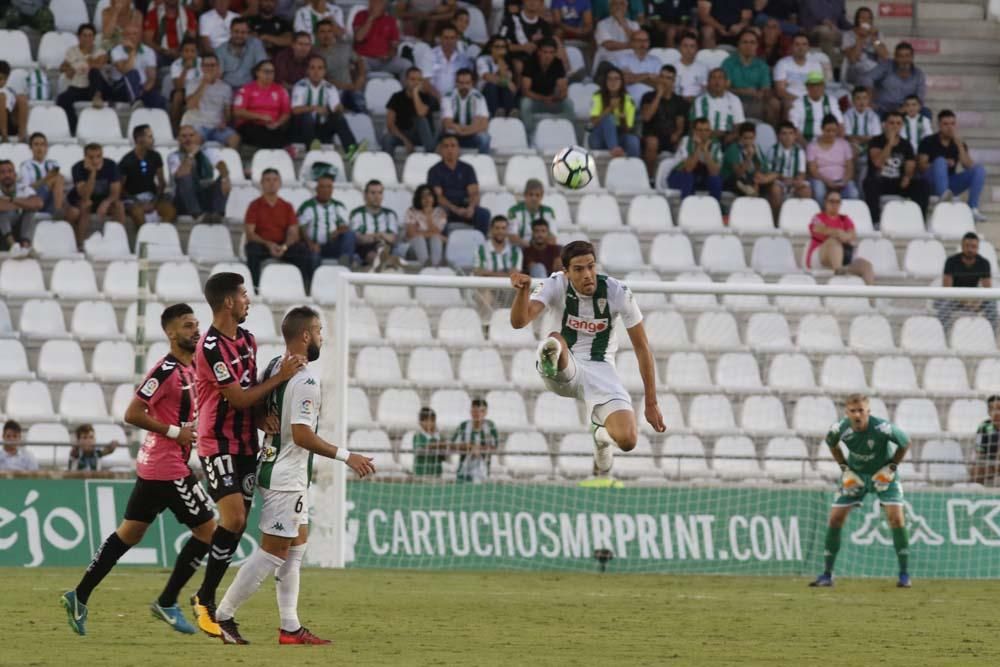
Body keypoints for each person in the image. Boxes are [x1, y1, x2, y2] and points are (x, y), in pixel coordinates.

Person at [213, 306, 374, 645]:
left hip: (281, 468)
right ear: (305, 336)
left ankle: (290, 627)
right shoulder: (306, 380)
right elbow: (301, 435)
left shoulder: (275, 365)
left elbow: (256, 404)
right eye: (318, 331)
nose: (321, 337)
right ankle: (223, 616)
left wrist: (260, 420)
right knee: (273, 552)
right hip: (285, 475)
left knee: (297, 548)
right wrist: (348, 456)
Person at [59, 304, 216, 637]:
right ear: (171, 332)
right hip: (166, 466)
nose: (195, 331)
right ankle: (167, 601)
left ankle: (79, 595)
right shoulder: (166, 370)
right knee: (208, 530)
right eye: (188, 326)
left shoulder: (193, 368)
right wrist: (176, 433)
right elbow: (132, 413)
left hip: (155, 466)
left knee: (128, 534)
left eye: (196, 325)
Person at [187, 272, 306, 638]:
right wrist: (281, 376)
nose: (247, 299)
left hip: (245, 443)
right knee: (235, 516)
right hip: (216, 441)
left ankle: (207, 599)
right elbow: (236, 397)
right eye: (243, 294)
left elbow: (249, 393)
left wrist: (260, 417)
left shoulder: (248, 340)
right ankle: (205, 599)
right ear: (227, 302)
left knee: (237, 523)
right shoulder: (209, 347)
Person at [510, 241, 666, 475]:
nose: (587, 275)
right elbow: (519, 322)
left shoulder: (617, 292)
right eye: (579, 269)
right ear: (566, 272)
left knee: (628, 440)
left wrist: (651, 402)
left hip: (601, 371)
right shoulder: (555, 284)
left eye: (591, 267)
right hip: (564, 368)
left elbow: (642, 347)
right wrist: (522, 292)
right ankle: (548, 356)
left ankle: (600, 437)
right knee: (555, 340)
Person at [809, 394, 912, 588]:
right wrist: (845, 468)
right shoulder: (839, 429)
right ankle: (827, 574)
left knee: (896, 519)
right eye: (853, 411)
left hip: (883, 475)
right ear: (847, 413)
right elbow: (832, 443)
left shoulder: (882, 428)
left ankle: (904, 575)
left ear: (868, 412)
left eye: (861, 411)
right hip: (856, 475)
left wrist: (891, 468)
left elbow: (905, 442)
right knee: (835, 518)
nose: (857, 415)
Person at [244, 169, 313, 286]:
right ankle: (254, 287)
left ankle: (303, 287)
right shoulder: (254, 206)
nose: (271, 183)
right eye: (267, 180)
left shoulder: (287, 206)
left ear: (280, 183)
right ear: (262, 183)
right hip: (263, 245)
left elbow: (293, 232)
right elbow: (250, 234)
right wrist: (268, 244)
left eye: (275, 180)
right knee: (252, 248)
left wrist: (285, 246)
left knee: (302, 250)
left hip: (283, 246)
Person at [919, 110, 987, 222]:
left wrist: (959, 146)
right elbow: (921, 167)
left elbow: (968, 165)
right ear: (939, 125)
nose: (949, 127)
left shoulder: (958, 143)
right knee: (940, 161)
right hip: (930, 182)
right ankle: (944, 201)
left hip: (949, 184)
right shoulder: (928, 141)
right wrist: (940, 164)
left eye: (952, 124)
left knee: (979, 170)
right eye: (945, 124)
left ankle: (972, 208)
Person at [864, 111, 930, 225]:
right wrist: (889, 143)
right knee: (869, 183)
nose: (895, 126)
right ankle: (875, 221)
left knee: (922, 184)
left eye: (898, 123)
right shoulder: (875, 141)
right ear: (884, 125)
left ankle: (920, 220)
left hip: (898, 183)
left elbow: (910, 165)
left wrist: (907, 176)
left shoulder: (906, 144)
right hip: (880, 181)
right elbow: (878, 163)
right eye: (892, 123)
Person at [291, 56, 363, 156]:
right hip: (302, 129)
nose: (316, 71)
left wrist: (339, 108)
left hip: (322, 129)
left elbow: (335, 108)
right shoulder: (300, 86)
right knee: (307, 116)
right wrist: (314, 108)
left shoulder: (330, 87)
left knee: (339, 118)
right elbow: (295, 110)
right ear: (307, 70)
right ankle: (311, 149)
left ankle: (352, 151)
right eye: (312, 68)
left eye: (320, 68)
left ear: (324, 71)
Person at [934, 232, 996, 333]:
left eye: (973, 246)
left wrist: (976, 301)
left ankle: (991, 335)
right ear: (962, 246)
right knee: (944, 304)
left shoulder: (984, 263)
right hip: (954, 298)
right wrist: (964, 301)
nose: (970, 249)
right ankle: (943, 335)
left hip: (973, 298)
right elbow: (947, 289)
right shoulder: (951, 261)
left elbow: (987, 290)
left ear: (978, 248)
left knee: (991, 304)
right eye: (967, 246)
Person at [805, 190, 873, 283]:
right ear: (825, 202)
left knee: (866, 266)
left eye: (837, 202)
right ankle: (839, 273)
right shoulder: (818, 217)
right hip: (820, 256)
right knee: (833, 242)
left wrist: (840, 234)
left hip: (844, 256)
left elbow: (852, 235)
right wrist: (838, 232)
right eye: (832, 201)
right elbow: (818, 229)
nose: (835, 204)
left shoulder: (845, 219)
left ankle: (871, 297)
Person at [428, 134, 491, 234]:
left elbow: (474, 193)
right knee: (438, 215)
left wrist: (471, 207)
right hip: (446, 208)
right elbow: (438, 197)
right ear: (440, 150)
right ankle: (444, 246)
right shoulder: (434, 171)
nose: (450, 149)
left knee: (483, 214)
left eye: (453, 146)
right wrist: (455, 209)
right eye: (446, 146)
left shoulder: (467, 169)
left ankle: (480, 245)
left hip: (465, 207)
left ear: (458, 149)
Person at [65, 145, 125, 249]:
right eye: (91, 157)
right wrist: (92, 173)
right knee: (86, 205)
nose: (95, 160)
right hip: (81, 199)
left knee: (119, 205)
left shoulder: (111, 165)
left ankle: (119, 242)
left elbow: (115, 192)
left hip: (103, 200)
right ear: (85, 157)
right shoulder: (77, 168)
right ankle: (80, 245)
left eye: (98, 156)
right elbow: (84, 195)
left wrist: (106, 202)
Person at [169, 125, 231, 223]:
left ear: (197, 137)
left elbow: (221, 165)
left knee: (224, 177)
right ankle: (197, 214)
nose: (188, 139)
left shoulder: (207, 151)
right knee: (185, 176)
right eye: (184, 136)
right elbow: (181, 174)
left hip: (202, 195)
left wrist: (224, 178)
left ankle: (218, 214)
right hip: (183, 200)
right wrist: (191, 154)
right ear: (179, 139)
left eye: (191, 135)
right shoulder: (173, 157)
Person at [120, 125, 176, 231]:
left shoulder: (155, 156)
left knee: (170, 211)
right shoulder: (126, 160)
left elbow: (161, 182)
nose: (153, 140)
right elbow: (121, 188)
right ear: (139, 139)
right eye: (150, 137)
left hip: (152, 197)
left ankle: (159, 235)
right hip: (133, 198)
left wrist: (153, 202)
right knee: (137, 212)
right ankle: (146, 238)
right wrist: (139, 203)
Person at [56, 24, 110, 134]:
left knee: (94, 72)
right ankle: (74, 129)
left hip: (95, 86)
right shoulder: (72, 51)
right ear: (79, 36)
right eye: (84, 35)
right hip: (78, 86)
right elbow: (63, 67)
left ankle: (97, 97)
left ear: (94, 38)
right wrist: (69, 69)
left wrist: (80, 62)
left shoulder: (100, 51)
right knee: (62, 99)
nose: (87, 38)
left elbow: (98, 64)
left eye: (90, 35)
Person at [721, 29, 778, 125]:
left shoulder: (762, 65)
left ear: (757, 46)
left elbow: (766, 89)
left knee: (774, 103)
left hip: (756, 100)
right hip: (735, 99)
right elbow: (724, 89)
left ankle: (770, 135)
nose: (749, 46)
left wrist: (762, 93)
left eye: (752, 42)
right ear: (738, 45)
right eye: (745, 42)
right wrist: (743, 91)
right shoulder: (728, 63)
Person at [298, 173, 355, 267]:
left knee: (350, 235)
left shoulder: (339, 206)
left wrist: (338, 231)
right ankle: (311, 281)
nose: (325, 190)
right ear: (316, 189)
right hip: (313, 246)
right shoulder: (307, 206)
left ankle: (345, 265)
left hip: (333, 245)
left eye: (329, 187)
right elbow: (300, 228)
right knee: (313, 255)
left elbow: (346, 227)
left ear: (332, 189)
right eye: (322, 187)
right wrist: (310, 243)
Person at [184, 54, 240, 149]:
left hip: (216, 127)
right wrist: (203, 84)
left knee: (235, 139)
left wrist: (224, 121)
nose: (209, 68)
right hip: (198, 125)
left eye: (212, 65)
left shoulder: (226, 87)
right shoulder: (192, 83)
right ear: (202, 67)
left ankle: (225, 162)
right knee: (193, 140)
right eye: (206, 65)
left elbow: (227, 114)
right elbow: (190, 106)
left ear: (218, 67)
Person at [519, 38, 573, 136]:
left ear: (555, 53)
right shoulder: (530, 63)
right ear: (539, 52)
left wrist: (559, 95)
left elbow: (563, 90)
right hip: (535, 100)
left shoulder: (558, 64)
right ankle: (529, 134)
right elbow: (525, 91)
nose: (548, 55)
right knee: (525, 104)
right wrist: (544, 98)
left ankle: (565, 133)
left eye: (551, 52)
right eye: (545, 52)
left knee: (568, 104)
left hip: (552, 101)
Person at [640, 65, 687, 178]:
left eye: (668, 78)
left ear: (674, 81)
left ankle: (677, 178)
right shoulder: (648, 96)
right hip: (652, 135)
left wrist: (677, 133)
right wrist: (659, 95)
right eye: (662, 77)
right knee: (652, 142)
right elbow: (646, 117)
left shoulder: (679, 101)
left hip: (670, 137)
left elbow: (680, 123)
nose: (664, 81)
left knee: (684, 143)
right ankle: (649, 178)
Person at [234, 60, 291, 149]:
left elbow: (286, 113)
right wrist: (260, 116)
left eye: (272, 72)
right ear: (257, 73)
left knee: (279, 135)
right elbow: (238, 112)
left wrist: (277, 123)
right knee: (264, 135)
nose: (269, 75)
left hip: (272, 126)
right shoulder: (246, 89)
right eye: (266, 71)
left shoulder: (280, 90)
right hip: (250, 125)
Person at [108, 24, 167, 109]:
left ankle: (158, 120)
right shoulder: (116, 50)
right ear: (123, 36)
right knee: (133, 73)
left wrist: (142, 91)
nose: (132, 36)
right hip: (121, 87)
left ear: (140, 36)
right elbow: (125, 70)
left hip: (142, 88)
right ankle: (136, 101)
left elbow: (151, 78)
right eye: (128, 34)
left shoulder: (149, 51)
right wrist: (132, 52)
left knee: (158, 99)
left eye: (135, 34)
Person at [314, 19, 367, 113]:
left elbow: (359, 61)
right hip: (328, 91)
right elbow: (319, 77)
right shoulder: (314, 53)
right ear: (317, 35)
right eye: (322, 32)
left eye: (329, 31)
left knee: (358, 101)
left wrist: (361, 77)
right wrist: (343, 86)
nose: (326, 35)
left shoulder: (344, 47)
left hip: (349, 90)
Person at [382, 67, 437, 154]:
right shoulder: (396, 97)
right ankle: (387, 165)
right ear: (406, 80)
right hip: (402, 134)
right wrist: (405, 140)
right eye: (412, 79)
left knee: (420, 120)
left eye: (419, 80)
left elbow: (421, 113)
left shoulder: (427, 97)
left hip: (422, 136)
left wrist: (415, 93)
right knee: (387, 138)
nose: (416, 82)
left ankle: (430, 155)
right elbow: (390, 124)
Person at [589, 67, 640, 158]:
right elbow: (593, 123)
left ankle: (633, 168)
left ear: (621, 82)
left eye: (616, 79)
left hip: (619, 135)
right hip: (598, 138)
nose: (613, 82)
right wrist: (609, 109)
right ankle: (614, 149)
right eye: (610, 79)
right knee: (609, 117)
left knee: (633, 141)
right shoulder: (597, 96)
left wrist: (623, 119)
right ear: (605, 81)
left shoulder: (628, 100)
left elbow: (628, 129)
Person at [863, 42, 926, 116]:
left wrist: (905, 109)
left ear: (912, 57)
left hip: (906, 110)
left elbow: (919, 99)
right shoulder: (886, 66)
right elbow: (867, 78)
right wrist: (869, 99)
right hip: (882, 109)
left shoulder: (918, 74)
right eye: (900, 56)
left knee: (926, 112)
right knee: (871, 112)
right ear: (895, 57)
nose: (904, 60)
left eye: (907, 56)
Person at [667, 117, 722, 200]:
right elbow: (689, 168)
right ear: (694, 131)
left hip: (700, 177)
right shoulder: (686, 141)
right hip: (679, 175)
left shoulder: (715, 144)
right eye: (700, 130)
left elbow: (714, 172)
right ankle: (687, 208)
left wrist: (706, 150)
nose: (703, 133)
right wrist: (699, 147)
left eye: (706, 130)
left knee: (716, 179)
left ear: (710, 132)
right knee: (688, 177)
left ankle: (716, 208)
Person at [807, 115, 859, 203]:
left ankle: (844, 216)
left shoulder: (844, 144)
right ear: (821, 129)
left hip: (842, 181)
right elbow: (813, 170)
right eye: (828, 131)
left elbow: (850, 167)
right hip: (821, 180)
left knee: (853, 193)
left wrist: (844, 181)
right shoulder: (812, 146)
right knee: (820, 192)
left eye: (834, 131)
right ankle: (822, 215)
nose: (831, 133)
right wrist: (827, 181)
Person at [351, 179, 402, 268]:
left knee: (389, 247)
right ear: (365, 195)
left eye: (380, 193)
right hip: (365, 248)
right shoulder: (357, 213)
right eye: (373, 193)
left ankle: (384, 261)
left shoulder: (390, 214)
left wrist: (377, 236)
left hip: (386, 246)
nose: (377, 196)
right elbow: (358, 238)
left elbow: (393, 238)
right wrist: (378, 236)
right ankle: (385, 262)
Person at [447, 398, 499, 483]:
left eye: (481, 411)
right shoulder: (464, 426)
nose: (477, 414)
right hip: (463, 470)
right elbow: (452, 445)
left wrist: (479, 449)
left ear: (486, 413)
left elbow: (494, 447)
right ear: (471, 411)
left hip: (483, 471)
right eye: (475, 411)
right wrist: (471, 447)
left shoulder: (490, 426)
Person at [352, 0, 409, 76]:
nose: (377, 4)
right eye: (374, 1)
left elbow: (394, 45)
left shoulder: (390, 20)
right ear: (369, 3)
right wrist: (371, 18)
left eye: (380, 2)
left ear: (384, 4)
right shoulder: (360, 15)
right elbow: (358, 38)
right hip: (365, 58)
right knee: (360, 65)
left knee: (407, 65)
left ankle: (405, 88)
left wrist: (389, 55)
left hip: (384, 60)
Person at [767, 121, 812, 216]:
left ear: (795, 136)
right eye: (784, 134)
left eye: (791, 133)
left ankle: (800, 219)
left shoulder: (799, 151)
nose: (788, 137)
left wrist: (794, 181)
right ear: (778, 136)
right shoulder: (772, 150)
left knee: (806, 191)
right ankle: (777, 220)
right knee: (775, 189)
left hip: (794, 182)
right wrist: (782, 179)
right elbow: (769, 172)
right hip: (779, 182)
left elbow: (802, 174)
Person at [689, 67, 744, 144]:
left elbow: (739, 125)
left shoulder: (734, 100)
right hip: (705, 137)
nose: (717, 81)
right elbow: (694, 126)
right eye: (713, 78)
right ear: (708, 82)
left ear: (726, 82)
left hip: (727, 139)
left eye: (720, 78)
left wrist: (731, 136)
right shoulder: (699, 101)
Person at [442, 68, 490, 153]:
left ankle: (483, 163)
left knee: (485, 138)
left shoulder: (479, 97)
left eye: (467, 83)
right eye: (461, 83)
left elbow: (484, 125)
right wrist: (470, 128)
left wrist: (464, 131)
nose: (464, 86)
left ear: (472, 83)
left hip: (471, 135)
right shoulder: (448, 97)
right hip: (453, 135)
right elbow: (447, 124)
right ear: (456, 83)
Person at [721, 122, 775, 197]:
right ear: (740, 137)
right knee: (741, 182)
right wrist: (749, 157)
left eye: (751, 138)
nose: (748, 141)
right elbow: (738, 174)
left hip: (753, 179)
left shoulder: (757, 148)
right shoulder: (733, 149)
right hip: (733, 181)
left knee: (773, 180)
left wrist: (759, 178)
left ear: (755, 137)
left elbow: (764, 168)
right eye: (745, 138)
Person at [773, 33, 824, 113]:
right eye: (797, 44)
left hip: (810, 99)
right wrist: (798, 100)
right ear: (791, 47)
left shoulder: (815, 65)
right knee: (790, 105)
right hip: (790, 99)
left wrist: (808, 100)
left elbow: (818, 88)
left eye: (804, 44)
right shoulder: (782, 63)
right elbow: (780, 90)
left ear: (808, 47)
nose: (801, 48)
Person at [790, 71, 843, 144]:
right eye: (812, 85)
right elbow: (794, 128)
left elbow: (840, 125)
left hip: (828, 143)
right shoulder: (798, 103)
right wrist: (806, 146)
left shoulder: (831, 101)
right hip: (805, 143)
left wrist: (837, 145)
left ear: (824, 86)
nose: (815, 88)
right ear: (807, 87)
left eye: (818, 85)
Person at [18, 133, 63, 218]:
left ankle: (58, 210)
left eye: (42, 144)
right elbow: (27, 188)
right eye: (36, 144)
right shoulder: (25, 165)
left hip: (50, 199)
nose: (39, 148)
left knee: (60, 178)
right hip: (34, 199)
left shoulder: (53, 164)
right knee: (56, 178)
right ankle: (58, 212)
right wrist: (46, 179)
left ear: (46, 147)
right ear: (30, 147)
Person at [841, 6, 888, 85]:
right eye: (862, 18)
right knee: (866, 78)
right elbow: (853, 59)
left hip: (874, 68)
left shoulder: (877, 34)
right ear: (857, 20)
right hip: (855, 69)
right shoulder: (848, 35)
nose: (865, 21)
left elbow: (884, 55)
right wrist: (860, 38)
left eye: (868, 18)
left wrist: (875, 38)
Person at [217, 18, 268, 90]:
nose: (239, 35)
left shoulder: (256, 44)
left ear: (248, 33)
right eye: (236, 32)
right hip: (228, 89)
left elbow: (263, 67)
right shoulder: (220, 49)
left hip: (250, 88)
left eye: (243, 32)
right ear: (230, 32)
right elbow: (219, 75)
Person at [799, 0, 851, 71]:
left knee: (850, 35)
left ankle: (847, 71)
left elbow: (842, 21)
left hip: (834, 30)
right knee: (826, 31)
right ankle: (830, 71)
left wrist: (855, 28)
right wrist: (823, 22)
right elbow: (804, 19)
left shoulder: (839, 1)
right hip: (812, 29)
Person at [143, 0, 197, 67]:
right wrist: (164, 51)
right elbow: (147, 40)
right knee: (152, 57)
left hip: (182, 53)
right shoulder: (153, 14)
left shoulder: (188, 14)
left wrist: (179, 51)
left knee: (192, 55)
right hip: (161, 53)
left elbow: (191, 38)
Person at [405, 184, 447, 266]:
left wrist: (429, 216)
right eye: (423, 196)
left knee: (435, 239)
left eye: (429, 195)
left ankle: (435, 267)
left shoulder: (440, 212)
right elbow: (411, 234)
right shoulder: (411, 211)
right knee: (419, 239)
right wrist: (430, 234)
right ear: (418, 199)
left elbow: (436, 232)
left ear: (434, 197)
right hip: (413, 246)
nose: (427, 199)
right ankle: (426, 267)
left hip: (433, 243)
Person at [428, 23, 472, 99]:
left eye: (452, 38)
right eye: (446, 38)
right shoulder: (429, 55)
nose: (449, 41)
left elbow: (467, 83)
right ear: (440, 39)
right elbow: (425, 82)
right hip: (433, 98)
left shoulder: (463, 59)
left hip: (456, 99)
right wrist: (440, 99)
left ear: (456, 39)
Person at [843, 86, 880, 178]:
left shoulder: (873, 116)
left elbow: (875, 137)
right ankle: (850, 180)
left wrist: (858, 139)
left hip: (869, 148)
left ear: (868, 100)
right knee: (852, 149)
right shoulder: (847, 115)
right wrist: (864, 139)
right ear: (853, 100)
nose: (862, 102)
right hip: (853, 147)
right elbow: (847, 136)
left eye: (864, 98)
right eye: (858, 98)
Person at [508, 178, 557, 247]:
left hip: (542, 249)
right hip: (521, 249)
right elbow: (512, 237)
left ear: (542, 196)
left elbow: (553, 239)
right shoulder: (514, 211)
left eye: (537, 195)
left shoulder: (549, 212)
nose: (534, 198)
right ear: (525, 195)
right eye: (531, 194)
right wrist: (531, 246)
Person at [476, 37, 518, 117]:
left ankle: (510, 112)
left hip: (501, 95)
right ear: (490, 48)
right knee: (492, 85)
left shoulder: (507, 62)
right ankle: (495, 113)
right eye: (497, 47)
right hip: (484, 94)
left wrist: (500, 61)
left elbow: (509, 83)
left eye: (503, 47)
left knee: (505, 87)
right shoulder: (482, 59)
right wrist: (507, 82)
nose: (500, 49)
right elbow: (487, 76)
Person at [615, 30, 660, 104]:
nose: (643, 44)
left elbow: (659, 85)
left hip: (649, 104)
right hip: (627, 103)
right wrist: (648, 75)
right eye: (639, 40)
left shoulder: (656, 61)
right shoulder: (623, 58)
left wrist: (633, 77)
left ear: (649, 43)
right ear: (632, 43)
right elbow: (624, 80)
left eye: (645, 40)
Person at [593, 0, 639, 72]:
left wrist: (622, 22)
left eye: (622, 4)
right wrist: (631, 45)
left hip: (629, 63)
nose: (618, 7)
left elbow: (638, 42)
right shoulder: (602, 24)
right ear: (610, 7)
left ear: (626, 7)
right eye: (615, 4)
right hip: (609, 61)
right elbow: (609, 45)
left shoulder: (634, 25)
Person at [169, 38, 202, 131]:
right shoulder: (176, 64)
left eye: (192, 51)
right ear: (181, 52)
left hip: (198, 90)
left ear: (197, 52)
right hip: (183, 91)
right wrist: (185, 69)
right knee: (177, 95)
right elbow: (178, 86)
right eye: (186, 51)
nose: (189, 54)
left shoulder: (202, 63)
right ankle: (174, 128)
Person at [971, 396, 1000, 486]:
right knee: (976, 470)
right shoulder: (984, 427)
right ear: (988, 412)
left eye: (999, 409)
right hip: (990, 463)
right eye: (992, 409)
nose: (996, 412)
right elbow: (979, 452)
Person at [674, 32, 708, 102]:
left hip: (697, 102)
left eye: (692, 46)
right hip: (676, 103)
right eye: (685, 46)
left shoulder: (703, 68)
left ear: (697, 49)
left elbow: (706, 90)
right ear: (679, 48)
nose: (688, 50)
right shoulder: (672, 67)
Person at [412, 407, 446, 477]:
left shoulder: (439, 436)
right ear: (420, 422)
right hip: (421, 473)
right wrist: (438, 445)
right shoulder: (418, 436)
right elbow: (419, 451)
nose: (430, 423)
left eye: (432, 420)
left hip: (436, 472)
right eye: (426, 420)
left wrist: (443, 447)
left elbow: (443, 456)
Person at [0, 61, 26, 144]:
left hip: (9, 121)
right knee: (1, 97)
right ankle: (4, 136)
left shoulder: (10, 91)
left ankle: (21, 136)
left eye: (3, 78)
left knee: (22, 98)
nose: (1, 81)